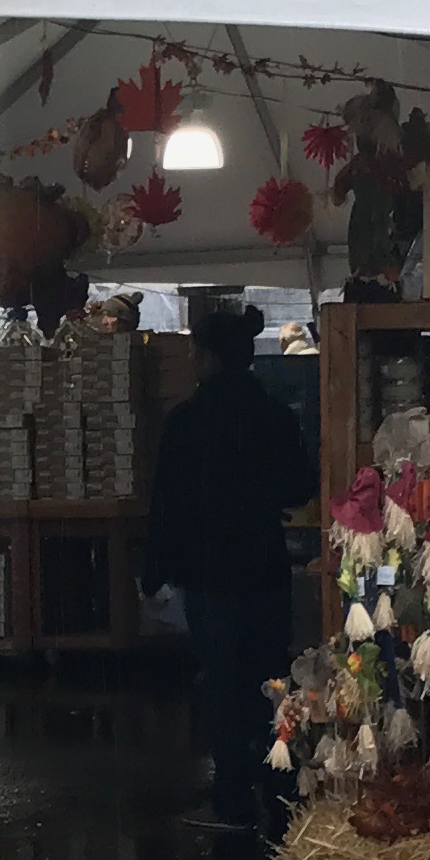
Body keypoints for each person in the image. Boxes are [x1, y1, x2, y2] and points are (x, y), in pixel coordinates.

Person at [146, 305, 314, 831]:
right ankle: (282, 787)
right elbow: (301, 486)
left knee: (222, 684)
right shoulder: (276, 416)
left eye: (195, 351)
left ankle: (233, 800)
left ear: (211, 358)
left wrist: (153, 571)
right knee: (271, 677)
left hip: (209, 568)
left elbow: (166, 504)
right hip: (265, 562)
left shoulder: (187, 421)